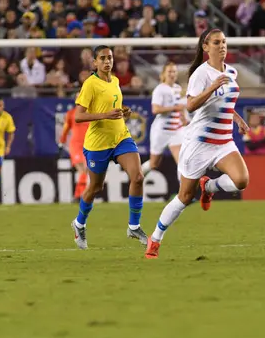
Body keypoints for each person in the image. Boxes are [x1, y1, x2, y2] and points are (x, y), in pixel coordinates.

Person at [144, 29, 250, 259]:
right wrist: (211, 88)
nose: (221, 46)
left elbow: (226, 103)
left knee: (241, 180)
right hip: (200, 143)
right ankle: (155, 238)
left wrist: (238, 119)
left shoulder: (232, 71)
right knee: (183, 197)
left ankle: (209, 187)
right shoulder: (200, 75)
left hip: (223, 141)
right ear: (205, 47)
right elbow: (190, 105)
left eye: (224, 42)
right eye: (216, 42)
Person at [71, 45, 147, 250]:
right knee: (96, 188)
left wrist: (123, 111)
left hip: (121, 137)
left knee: (138, 177)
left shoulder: (115, 81)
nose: (107, 61)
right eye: (102, 58)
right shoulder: (90, 84)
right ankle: (79, 224)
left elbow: (112, 107)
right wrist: (105, 115)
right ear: (94, 62)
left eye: (110, 57)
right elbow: (78, 116)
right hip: (98, 144)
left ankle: (134, 226)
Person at [141, 61, 187, 177]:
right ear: (164, 74)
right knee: (154, 164)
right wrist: (174, 108)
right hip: (161, 131)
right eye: (170, 71)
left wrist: (183, 118)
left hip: (175, 131)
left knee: (182, 163)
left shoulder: (178, 88)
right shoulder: (159, 89)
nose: (172, 74)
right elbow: (155, 109)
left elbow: (179, 106)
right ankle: (138, 175)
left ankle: (183, 194)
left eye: (174, 71)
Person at [59, 93, 89, 202]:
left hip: (88, 145)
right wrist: (61, 142)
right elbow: (66, 129)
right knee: (83, 169)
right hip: (76, 146)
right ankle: (79, 196)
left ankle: (79, 196)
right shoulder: (71, 114)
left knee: (85, 171)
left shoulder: (92, 113)